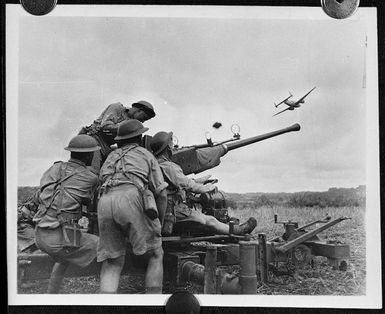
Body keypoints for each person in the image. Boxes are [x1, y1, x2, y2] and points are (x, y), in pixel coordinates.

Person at [97, 119, 168, 294]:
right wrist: (160, 224)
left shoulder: (110, 157)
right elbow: (162, 193)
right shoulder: (145, 154)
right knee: (155, 254)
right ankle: (153, 303)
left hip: (105, 201)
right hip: (131, 197)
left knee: (113, 261)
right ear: (140, 137)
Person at [150, 131, 257, 236]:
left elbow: (177, 181)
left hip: (162, 209)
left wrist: (197, 181)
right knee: (210, 220)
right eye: (171, 144)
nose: (173, 146)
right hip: (172, 211)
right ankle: (237, 230)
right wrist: (206, 188)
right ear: (168, 148)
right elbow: (190, 186)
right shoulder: (169, 166)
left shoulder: (155, 164)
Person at [33, 135, 101, 293]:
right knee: (107, 248)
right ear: (88, 155)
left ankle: (52, 294)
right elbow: (89, 203)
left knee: (65, 256)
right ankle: (108, 297)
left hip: (39, 235)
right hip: (58, 238)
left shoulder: (53, 168)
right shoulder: (91, 178)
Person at [79, 100, 156, 171]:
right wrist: (127, 126)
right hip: (94, 140)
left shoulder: (132, 122)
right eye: (143, 118)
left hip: (106, 147)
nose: (142, 121)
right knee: (94, 171)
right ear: (139, 110)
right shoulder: (117, 108)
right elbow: (105, 127)